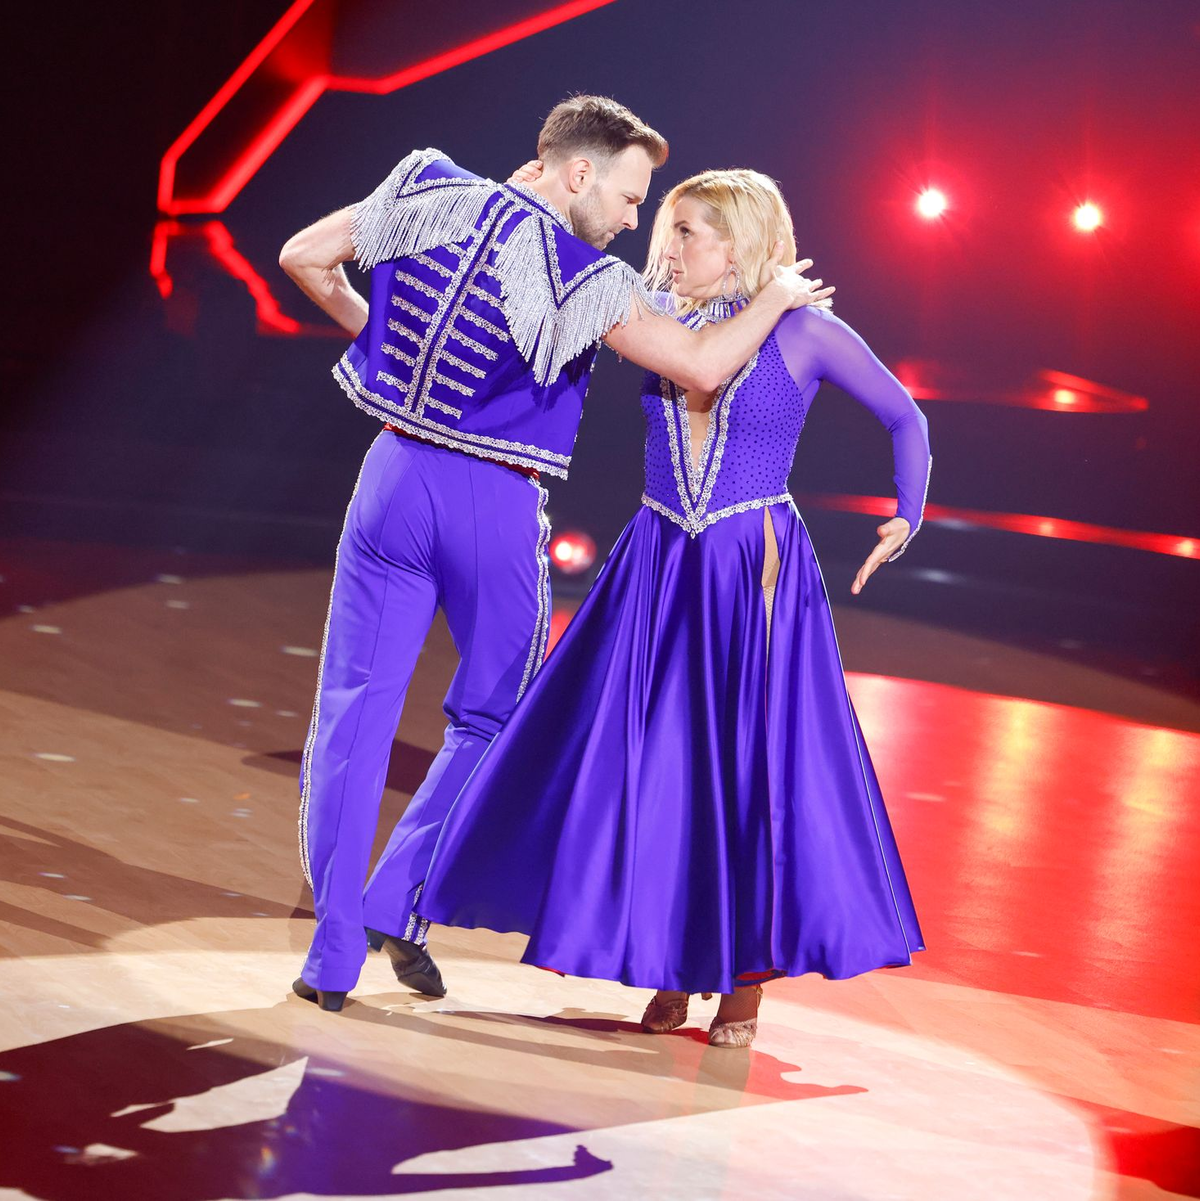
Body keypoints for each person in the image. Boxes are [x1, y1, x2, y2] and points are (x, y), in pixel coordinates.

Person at [277, 98, 834, 1011]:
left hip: (388, 479)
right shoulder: (583, 273)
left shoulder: (425, 187)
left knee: (350, 715)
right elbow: (699, 366)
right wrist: (775, 296)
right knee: (496, 718)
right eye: (625, 196)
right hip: (492, 502)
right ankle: (398, 894)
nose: (628, 220)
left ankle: (331, 953)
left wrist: (384, 344)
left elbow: (303, 256)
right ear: (579, 174)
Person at [414, 167, 930, 1047]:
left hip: (748, 568)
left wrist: (906, 512)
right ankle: (668, 960)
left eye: (690, 231)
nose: (668, 244)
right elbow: (672, 350)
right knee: (651, 767)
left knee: (748, 769)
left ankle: (739, 982)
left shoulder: (809, 332)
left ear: (742, 240)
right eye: (669, 226)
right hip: (657, 559)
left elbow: (904, 416)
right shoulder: (652, 322)